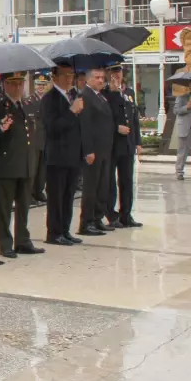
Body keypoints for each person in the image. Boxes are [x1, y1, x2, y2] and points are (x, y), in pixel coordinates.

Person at [0, 72, 44, 258]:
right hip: (7, 164)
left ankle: (22, 240)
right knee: (4, 207)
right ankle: (5, 243)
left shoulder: (25, 105)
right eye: (13, 84)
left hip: (26, 162)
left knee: (24, 205)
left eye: (20, 83)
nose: (18, 87)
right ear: (4, 84)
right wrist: (0, 129)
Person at [41, 65, 84, 247]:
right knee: (56, 196)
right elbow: (52, 127)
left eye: (71, 75)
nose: (69, 79)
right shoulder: (49, 99)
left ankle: (65, 230)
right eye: (65, 75)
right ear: (55, 77)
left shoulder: (73, 96)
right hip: (57, 156)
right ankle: (54, 232)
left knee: (69, 195)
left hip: (73, 155)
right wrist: (71, 112)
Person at [77, 68, 115, 237]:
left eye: (102, 77)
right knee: (91, 187)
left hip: (105, 149)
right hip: (94, 151)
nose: (101, 80)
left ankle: (98, 218)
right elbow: (85, 126)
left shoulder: (101, 96)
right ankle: (87, 221)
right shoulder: (85, 96)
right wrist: (89, 150)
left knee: (102, 186)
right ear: (88, 79)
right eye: (97, 78)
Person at [106, 67, 143, 227]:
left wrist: (138, 142)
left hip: (127, 144)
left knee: (127, 180)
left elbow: (134, 119)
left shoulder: (129, 92)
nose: (116, 74)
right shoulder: (106, 93)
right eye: (113, 71)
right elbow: (105, 118)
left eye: (119, 71)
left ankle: (126, 214)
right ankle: (111, 215)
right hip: (113, 143)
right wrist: (116, 128)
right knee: (110, 182)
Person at [24, 74, 50, 203]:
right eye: (39, 85)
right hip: (33, 139)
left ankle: (39, 191)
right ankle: (29, 194)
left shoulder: (48, 101)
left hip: (45, 138)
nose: (41, 87)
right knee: (33, 168)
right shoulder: (29, 101)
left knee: (42, 168)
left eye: (43, 85)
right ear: (35, 86)